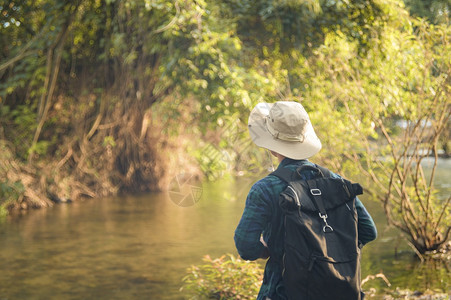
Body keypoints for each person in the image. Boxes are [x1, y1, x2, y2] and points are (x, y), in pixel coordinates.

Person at [234, 101, 377, 300]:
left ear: (273, 148)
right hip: (337, 291)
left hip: (281, 292)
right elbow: (369, 230)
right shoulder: (336, 182)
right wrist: (330, 254)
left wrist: (267, 250)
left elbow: (245, 245)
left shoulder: (264, 189)